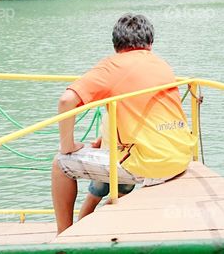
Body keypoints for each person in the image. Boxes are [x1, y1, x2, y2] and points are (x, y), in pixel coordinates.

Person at [51, 14, 195, 234]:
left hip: (150, 165)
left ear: (116, 45)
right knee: (112, 186)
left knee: (61, 163)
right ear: (151, 43)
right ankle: (95, 221)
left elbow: (66, 100)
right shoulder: (161, 64)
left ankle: (62, 237)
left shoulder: (112, 66)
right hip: (180, 157)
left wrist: (68, 146)